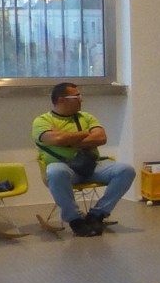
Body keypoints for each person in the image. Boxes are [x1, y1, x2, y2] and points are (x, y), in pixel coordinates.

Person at [33, 82, 136, 237]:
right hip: (64, 168)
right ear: (61, 100)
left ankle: (97, 215)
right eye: (76, 96)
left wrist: (65, 138)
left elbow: (101, 138)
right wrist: (86, 134)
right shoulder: (42, 121)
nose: (81, 99)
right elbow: (56, 139)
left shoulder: (86, 117)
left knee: (126, 170)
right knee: (55, 171)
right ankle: (75, 220)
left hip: (92, 165)